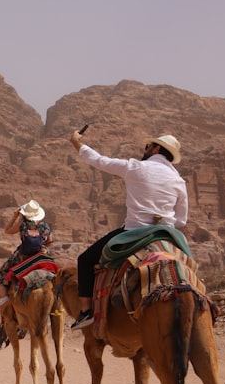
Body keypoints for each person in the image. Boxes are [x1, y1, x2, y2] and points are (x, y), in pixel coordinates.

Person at [68, 130, 188, 329]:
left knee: (85, 260)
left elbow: (99, 160)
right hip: (168, 234)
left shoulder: (135, 167)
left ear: (156, 148)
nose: (145, 149)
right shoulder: (179, 181)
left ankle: (86, 311)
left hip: (134, 231)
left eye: (148, 146)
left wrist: (76, 143)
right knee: (188, 264)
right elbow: (182, 220)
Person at [0, 199, 53, 310]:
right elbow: (49, 242)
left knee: (0, 273)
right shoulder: (46, 226)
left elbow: (7, 231)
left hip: (25, 255)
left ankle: (4, 297)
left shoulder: (23, 224)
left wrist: (15, 216)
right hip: (42, 255)